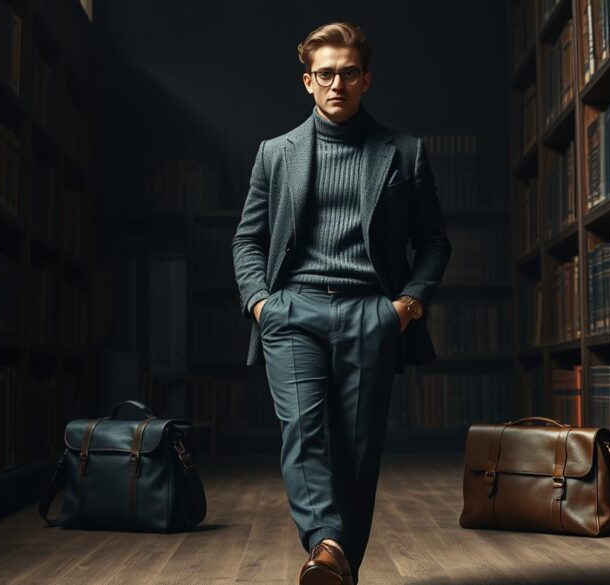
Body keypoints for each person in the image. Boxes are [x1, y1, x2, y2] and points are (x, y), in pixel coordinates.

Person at [231, 21, 451, 585]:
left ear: (366, 79)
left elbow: (434, 242)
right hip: (292, 310)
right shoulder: (274, 153)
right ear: (308, 81)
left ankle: (333, 564)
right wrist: (260, 302)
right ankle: (328, 546)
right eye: (325, 74)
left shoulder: (404, 153)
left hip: (370, 313)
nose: (337, 84)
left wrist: (405, 307)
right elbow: (248, 240)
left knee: (356, 446)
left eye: (348, 73)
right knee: (303, 433)